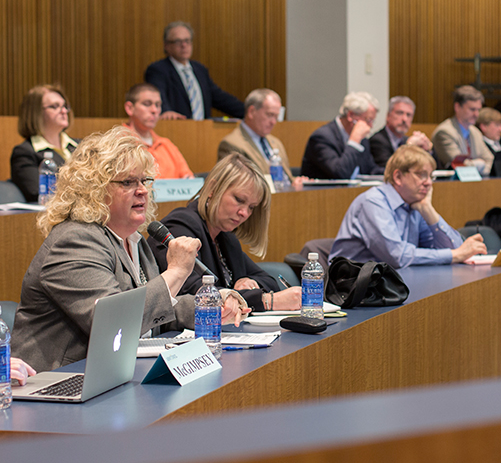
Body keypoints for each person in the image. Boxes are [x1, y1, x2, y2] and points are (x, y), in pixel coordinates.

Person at [11, 127, 249, 373]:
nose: (143, 190)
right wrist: (176, 271)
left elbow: (159, 312)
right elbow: (115, 323)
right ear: (94, 189)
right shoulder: (75, 240)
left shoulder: (134, 241)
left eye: (144, 180)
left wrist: (210, 304)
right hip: (57, 384)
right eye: (128, 182)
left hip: (111, 376)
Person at [149, 154, 302, 311]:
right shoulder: (181, 226)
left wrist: (249, 282)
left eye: (251, 207)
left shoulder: (225, 236)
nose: (245, 213)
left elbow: (268, 280)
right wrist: (265, 300)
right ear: (213, 190)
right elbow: (195, 294)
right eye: (239, 200)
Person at [330, 145, 487, 268]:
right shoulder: (373, 202)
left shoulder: (414, 204)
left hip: (387, 284)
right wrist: (455, 255)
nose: (429, 183)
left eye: (431, 176)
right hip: (351, 290)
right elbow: (397, 256)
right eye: (421, 175)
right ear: (398, 176)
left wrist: (428, 211)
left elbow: (457, 249)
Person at [144, 21, 244, 120]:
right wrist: (166, 111)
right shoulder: (158, 70)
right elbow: (158, 96)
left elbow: (220, 98)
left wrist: (249, 112)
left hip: (203, 130)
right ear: (166, 45)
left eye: (187, 40)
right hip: (176, 128)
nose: (184, 45)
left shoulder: (200, 69)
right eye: (178, 41)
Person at [218, 88, 305, 190]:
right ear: (251, 112)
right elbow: (234, 185)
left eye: (276, 117)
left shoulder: (276, 142)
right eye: (269, 115)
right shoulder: (231, 144)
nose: (273, 122)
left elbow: (285, 179)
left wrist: (296, 181)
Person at [10, 84, 79, 202]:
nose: (63, 111)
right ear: (35, 113)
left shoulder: (81, 145)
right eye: (55, 106)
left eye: (65, 106)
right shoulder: (25, 153)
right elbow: (36, 192)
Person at [301, 92, 384, 179]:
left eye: (372, 121)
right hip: (325, 192)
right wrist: (354, 141)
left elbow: (370, 170)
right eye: (368, 120)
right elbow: (340, 173)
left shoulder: (362, 139)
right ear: (351, 115)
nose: (370, 126)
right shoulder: (322, 137)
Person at [124, 83, 194, 179]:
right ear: (130, 108)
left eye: (157, 105)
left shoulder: (166, 144)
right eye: (147, 104)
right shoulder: (118, 144)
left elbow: (188, 178)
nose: (154, 110)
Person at [431, 85, 494, 175]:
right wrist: (479, 164)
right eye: (472, 109)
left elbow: (489, 159)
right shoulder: (444, 132)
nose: (476, 114)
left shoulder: (475, 132)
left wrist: (478, 167)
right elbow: (458, 165)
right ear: (457, 107)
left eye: (478, 110)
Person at [369, 96, 435, 167]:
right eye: (400, 113)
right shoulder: (377, 140)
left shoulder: (405, 140)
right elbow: (390, 169)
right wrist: (409, 146)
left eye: (408, 115)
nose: (404, 119)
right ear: (388, 116)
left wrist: (427, 150)